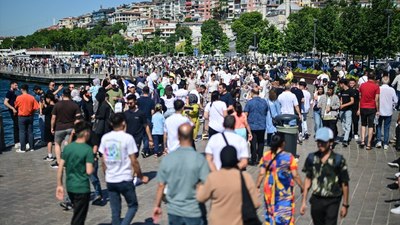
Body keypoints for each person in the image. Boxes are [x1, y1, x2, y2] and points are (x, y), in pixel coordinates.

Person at [152, 123, 209, 224]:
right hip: (193, 211)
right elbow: (207, 185)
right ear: (192, 136)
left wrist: (157, 205)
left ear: (178, 137)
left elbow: (161, 185)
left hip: (174, 211)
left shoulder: (168, 159)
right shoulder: (199, 159)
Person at [99, 113, 149, 225]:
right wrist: (140, 176)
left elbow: (103, 160)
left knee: (115, 211)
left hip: (111, 179)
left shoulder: (105, 138)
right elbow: (134, 161)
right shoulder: (127, 138)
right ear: (123, 123)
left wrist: (106, 175)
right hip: (124, 178)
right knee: (132, 205)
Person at [197, 143, 260, 225]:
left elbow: (201, 197)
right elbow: (256, 203)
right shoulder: (246, 177)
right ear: (236, 159)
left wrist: (199, 186)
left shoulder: (213, 178)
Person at [300, 127, 350, 225]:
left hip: (333, 199)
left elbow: (345, 183)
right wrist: (303, 201)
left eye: (323, 141)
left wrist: (345, 204)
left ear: (330, 142)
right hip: (316, 200)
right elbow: (308, 179)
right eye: (318, 141)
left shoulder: (338, 160)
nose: (320, 144)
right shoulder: (312, 158)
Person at [256, 133, 303, 225]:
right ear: (283, 143)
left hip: (269, 189)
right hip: (284, 190)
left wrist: (257, 186)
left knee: (270, 212)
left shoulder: (266, 156)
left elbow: (261, 173)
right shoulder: (289, 157)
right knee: (285, 212)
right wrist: (302, 186)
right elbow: (295, 175)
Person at [56, 121, 94, 225]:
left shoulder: (68, 148)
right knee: (79, 218)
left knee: (77, 213)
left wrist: (59, 184)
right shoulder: (88, 149)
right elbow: (89, 171)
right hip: (82, 187)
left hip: (70, 187)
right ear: (86, 133)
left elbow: (60, 167)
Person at [51, 89, 81, 168]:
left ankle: (58, 162)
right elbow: (78, 118)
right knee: (68, 145)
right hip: (70, 127)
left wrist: (52, 128)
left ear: (63, 95)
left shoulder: (57, 105)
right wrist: (75, 128)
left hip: (59, 127)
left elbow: (53, 118)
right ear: (70, 95)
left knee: (57, 144)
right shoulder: (74, 105)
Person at [244, 88, 269, 165]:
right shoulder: (264, 102)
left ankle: (253, 158)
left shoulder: (249, 103)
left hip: (252, 126)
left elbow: (245, 115)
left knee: (253, 143)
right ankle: (260, 158)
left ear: (251, 93)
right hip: (262, 125)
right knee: (261, 142)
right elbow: (266, 111)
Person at [14, 84, 40, 153]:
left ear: (22, 89)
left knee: (22, 132)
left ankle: (23, 148)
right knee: (30, 132)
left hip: (21, 117)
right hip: (30, 116)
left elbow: (16, 106)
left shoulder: (18, 97)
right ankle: (32, 147)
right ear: (27, 89)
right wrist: (32, 112)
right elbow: (37, 107)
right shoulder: (32, 97)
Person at [358, 71, 380, 150]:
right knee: (371, 126)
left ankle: (363, 140)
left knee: (363, 124)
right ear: (374, 78)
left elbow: (360, 97)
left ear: (367, 77)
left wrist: (359, 108)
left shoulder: (362, 85)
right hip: (372, 107)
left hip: (363, 107)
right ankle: (368, 144)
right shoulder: (376, 87)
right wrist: (378, 110)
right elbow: (376, 100)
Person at [376, 76, 397, 150]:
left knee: (378, 126)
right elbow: (396, 100)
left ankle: (378, 141)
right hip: (388, 111)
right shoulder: (391, 90)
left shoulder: (379, 88)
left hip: (379, 110)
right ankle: (385, 143)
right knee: (386, 127)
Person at [338, 79, 355, 147]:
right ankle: (346, 135)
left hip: (348, 110)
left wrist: (344, 105)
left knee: (348, 124)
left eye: (340, 84)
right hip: (342, 110)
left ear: (342, 84)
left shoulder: (350, 91)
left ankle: (345, 140)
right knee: (342, 123)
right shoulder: (341, 91)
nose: (339, 85)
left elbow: (352, 101)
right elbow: (341, 99)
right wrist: (340, 103)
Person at [3, 81, 19, 149]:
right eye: (15, 85)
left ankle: (18, 141)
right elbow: (5, 102)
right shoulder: (9, 92)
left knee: (17, 125)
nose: (17, 86)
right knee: (16, 125)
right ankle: (16, 142)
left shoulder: (14, 92)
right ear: (11, 85)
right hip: (13, 111)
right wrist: (12, 108)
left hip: (16, 110)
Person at [42, 93, 56, 161]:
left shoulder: (49, 107)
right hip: (56, 125)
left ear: (48, 99)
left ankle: (50, 155)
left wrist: (44, 105)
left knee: (49, 141)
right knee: (56, 141)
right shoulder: (56, 106)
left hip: (48, 125)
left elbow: (42, 112)